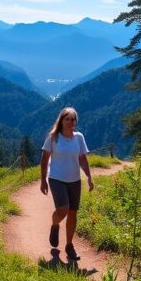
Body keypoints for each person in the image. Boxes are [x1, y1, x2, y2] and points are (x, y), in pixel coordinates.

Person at [39, 106, 93, 261]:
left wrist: (89, 176)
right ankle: (55, 224)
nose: (71, 122)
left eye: (73, 119)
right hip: (56, 178)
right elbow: (44, 160)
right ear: (61, 120)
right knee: (63, 209)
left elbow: (82, 158)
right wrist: (43, 180)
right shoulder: (53, 137)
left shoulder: (79, 137)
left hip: (74, 180)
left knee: (73, 212)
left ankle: (69, 246)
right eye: (67, 118)